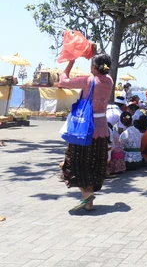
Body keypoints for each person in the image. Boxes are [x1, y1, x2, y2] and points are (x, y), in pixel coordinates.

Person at [59, 53, 113, 211]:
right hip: (102, 129)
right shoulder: (109, 81)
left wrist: (70, 63)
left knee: (73, 163)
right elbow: (99, 76)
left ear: (94, 67)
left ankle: (87, 195)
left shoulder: (88, 80)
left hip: (84, 130)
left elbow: (63, 81)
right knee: (93, 165)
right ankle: (88, 203)